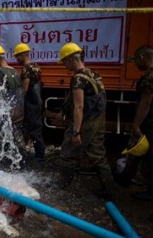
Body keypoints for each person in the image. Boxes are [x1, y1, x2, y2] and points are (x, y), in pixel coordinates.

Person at [56, 42, 114, 199]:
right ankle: (109, 190)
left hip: (86, 122)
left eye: (64, 62)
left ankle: (63, 183)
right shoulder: (93, 73)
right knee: (98, 154)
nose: (64, 65)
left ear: (70, 59)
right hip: (98, 119)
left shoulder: (78, 79)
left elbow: (79, 107)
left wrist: (76, 131)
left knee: (69, 151)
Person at [0, 44, 27, 168]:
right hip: (19, 110)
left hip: (7, 111)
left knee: (0, 136)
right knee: (17, 136)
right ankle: (22, 162)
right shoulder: (14, 71)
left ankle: (2, 163)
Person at [125, 45, 153, 201]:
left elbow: (145, 104)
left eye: (135, 60)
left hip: (150, 124)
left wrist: (136, 125)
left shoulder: (149, 77)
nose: (135, 64)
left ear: (142, 58)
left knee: (150, 157)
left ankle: (150, 192)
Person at [14, 43, 45, 162]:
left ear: (23, 55)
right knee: (37, 127)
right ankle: (39, 154)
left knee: (33, 129)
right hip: (37, 101)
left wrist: (18, 103)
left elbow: (25, 89)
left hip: (30, 103)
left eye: (17, 56)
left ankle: (39, 157)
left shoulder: (26, 68)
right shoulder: (37, 66)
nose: (16, 59)